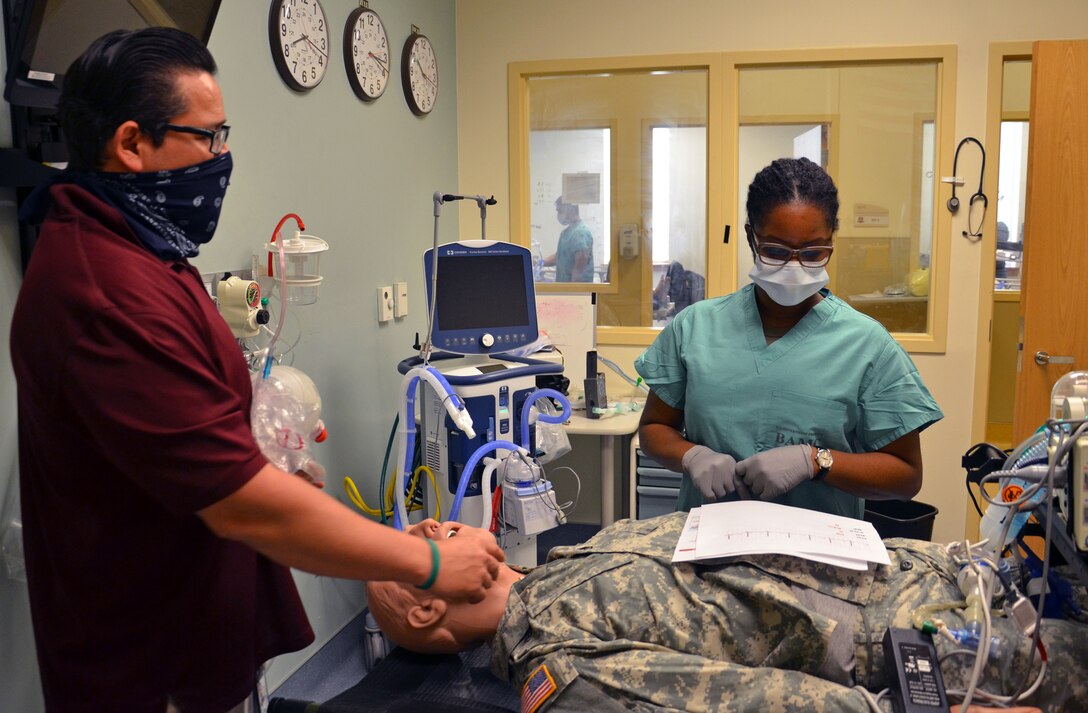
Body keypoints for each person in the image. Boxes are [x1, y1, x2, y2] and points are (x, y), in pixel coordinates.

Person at [9, 28, 503, 713]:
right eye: (209, 137)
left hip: (199, 623)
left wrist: (266, 448)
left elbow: (195, 433)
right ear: (130, 143)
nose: (224, 156)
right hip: (147, 664)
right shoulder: (104, 292)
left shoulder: (147, 253)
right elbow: (240, 502)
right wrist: (429, 562)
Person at [367, 515, 1088, 712]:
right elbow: (735, 701)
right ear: (429, 610)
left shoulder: (570, 560)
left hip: (959, 577)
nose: (432, 526)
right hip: (950, 651)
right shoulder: (553, 658)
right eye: (418, 542)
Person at [634, 157, 943, 518]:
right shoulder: (696, 327)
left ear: (831, 243)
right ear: (751, 237)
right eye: (776, 251)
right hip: (709, 547)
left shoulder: (867, 345)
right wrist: (691, 455)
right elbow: (655, 428)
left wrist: (815, 461)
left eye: (813, 253)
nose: (794, 266)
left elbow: (905, 476)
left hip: (819, 558)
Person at [542, 197, 594, 282]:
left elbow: (580, 263)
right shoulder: (566, 233)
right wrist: (539, 262)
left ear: (570, 209)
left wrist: (572, 289)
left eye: (560, 211)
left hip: (575, 291)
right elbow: (559, 257)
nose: (558, 214)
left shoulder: (581, 232)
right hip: (565, 289)